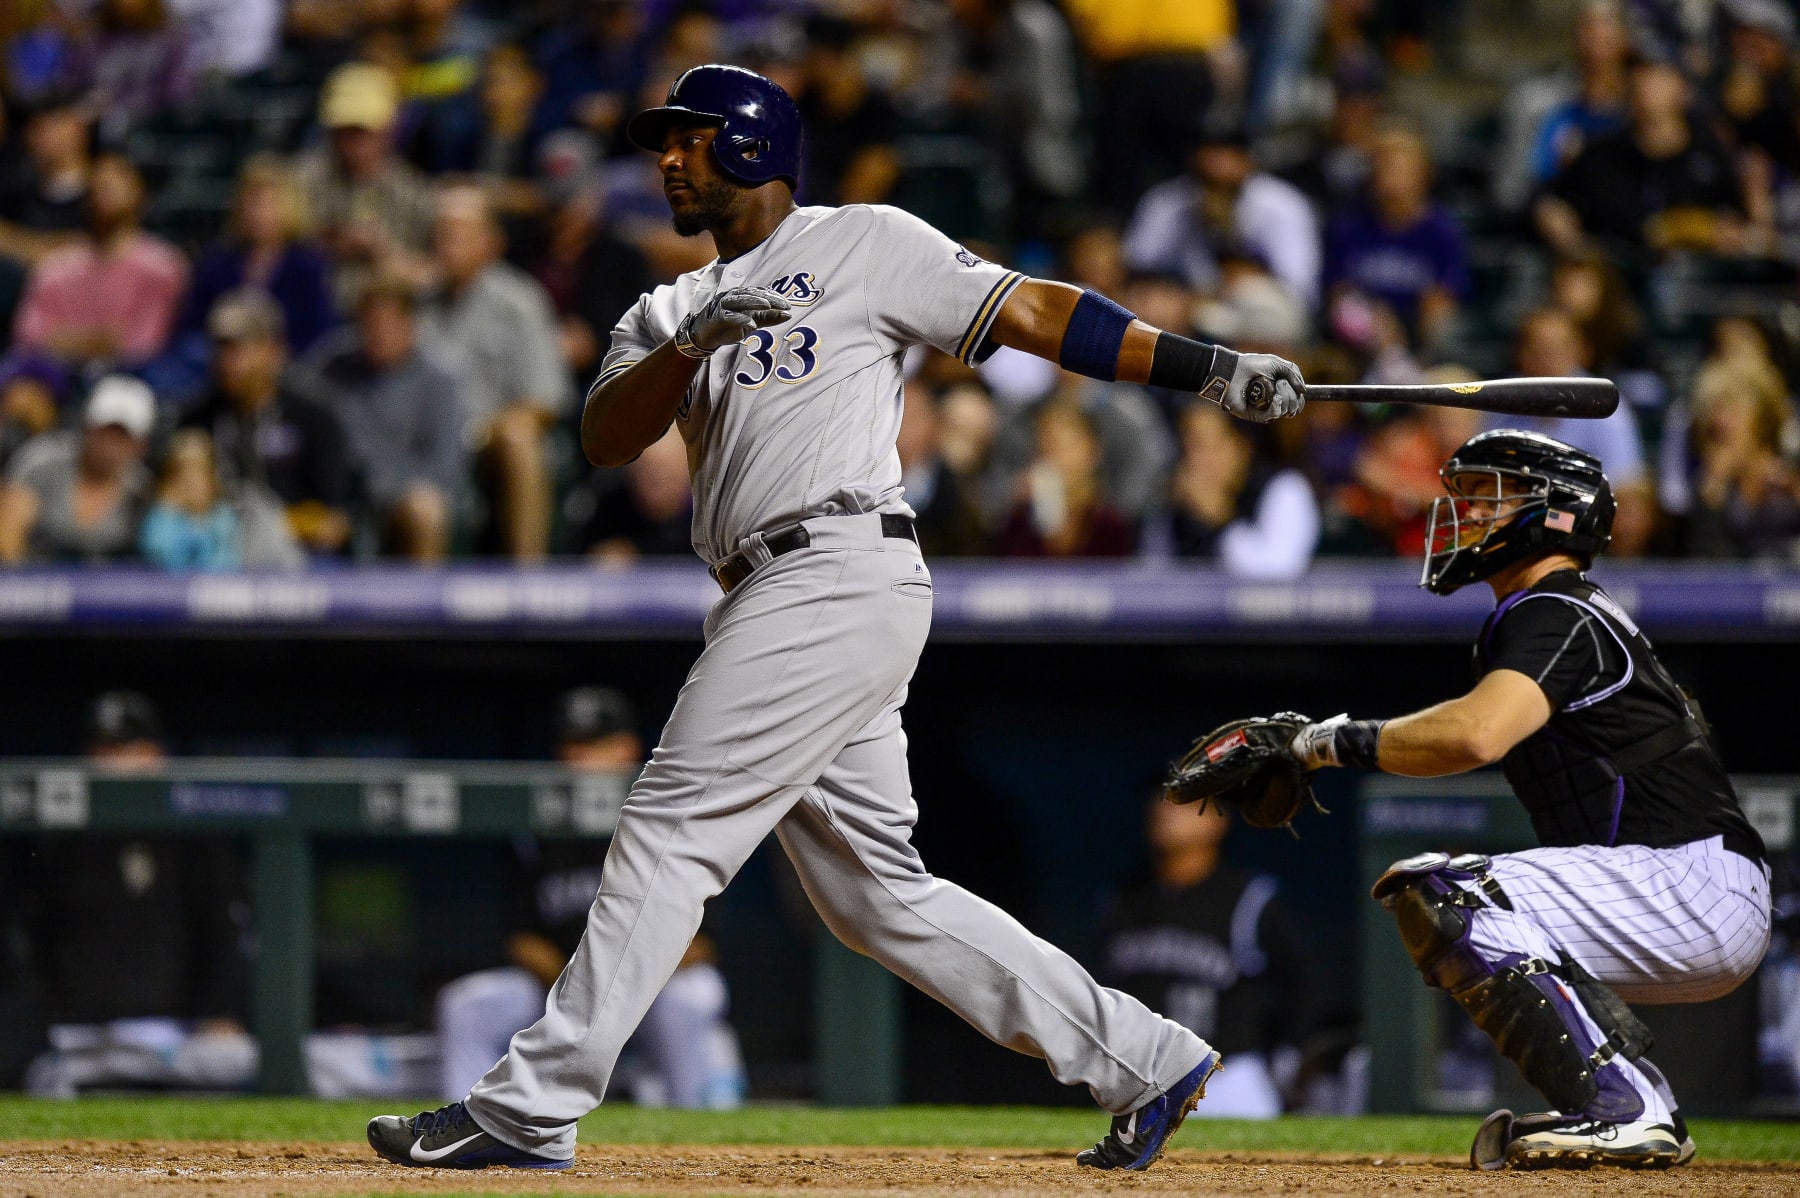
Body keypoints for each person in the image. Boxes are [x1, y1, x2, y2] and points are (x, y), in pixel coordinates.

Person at [367, 63, 1305, 1174]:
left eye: (691, 138)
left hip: (837, 562)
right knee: (876, 897)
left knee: (670, 828)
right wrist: (691, 341)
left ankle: (532, 1104)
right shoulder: (666, 305)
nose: (667, 158)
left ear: (755, 145)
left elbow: (1037, 312)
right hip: (768, 591)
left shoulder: (866, 241)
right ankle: (1145, 1056)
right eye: (661, 141)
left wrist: (1207, 371)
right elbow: (607, 440)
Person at [1269, 430, 1771, 1168]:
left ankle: (1623, 1105)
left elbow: (1477, 734)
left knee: (1446, 894)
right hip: (1682, 882)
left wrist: (1321, 742)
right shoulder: (1552, 612)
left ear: (1555, 514)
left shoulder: (1558, 608)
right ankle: (1632, 1102)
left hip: (1688, 881)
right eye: (1467, 498)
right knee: (1467, 906)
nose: (1465, 516)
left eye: (1486, 499)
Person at [434, 686, 746, 1109]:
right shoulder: (539, 832)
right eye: (571, 745)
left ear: (628, 748)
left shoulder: (666, 821)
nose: (578, 760)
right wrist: (580, 987)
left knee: (690, 997)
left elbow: (701, 944)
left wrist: (619, 985)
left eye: (594, 746)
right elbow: (520, 938)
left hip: (651, 989)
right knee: (467, 1005)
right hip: (561, 987)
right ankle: (465, 1119)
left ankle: (694, 1123)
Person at [17, 691, 257, 1097]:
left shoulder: (193, 839)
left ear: (156, 754)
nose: (115, 763)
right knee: (45, 1079)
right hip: (77, 1039)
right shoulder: (55, 843)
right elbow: (26, 942)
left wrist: (221, 1012)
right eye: (103, 749)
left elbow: (226, 934)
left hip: (176, 1038)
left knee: (237, 1058)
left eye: (128, 748)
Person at [1100, 799, 1316, 1118]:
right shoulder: (1122, 898)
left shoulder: (1248, 897)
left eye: (1182, 803)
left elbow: (1301, 982)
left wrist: (1286, 1056)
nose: (1165, 811)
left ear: (1219, 819)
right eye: (1159, 801)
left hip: (1225, 1079)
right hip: (1138, 1076)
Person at [416, 185, 569, 561]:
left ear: (489, 242)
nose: (444, 245)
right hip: (431, 439)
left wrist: (489, 430)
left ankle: (525, 578)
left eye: (456, 235)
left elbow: (545, 401)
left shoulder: (519, 302)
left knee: (519, 437)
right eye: (440, 235)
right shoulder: (417, 306)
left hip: (491, 439)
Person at [295, 274, 466, 561]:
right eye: (369, 324)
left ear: (410, 324)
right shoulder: (332, 367)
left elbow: (444, 467)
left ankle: (424, 603)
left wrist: (378, 494)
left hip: (402, 498)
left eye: (387, 324)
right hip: (339, 497)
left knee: (425, 508)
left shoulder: (440, 379)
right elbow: (295, 412)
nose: (377, 334)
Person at [181, 289, 353, 555]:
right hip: (215, 556)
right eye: (220, 348)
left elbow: (334, 521)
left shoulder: (312, 418)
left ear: (274, 351)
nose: (227, 362)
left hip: (299, 560)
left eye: (238, 349)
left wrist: (273, 524)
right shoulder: (196, 420)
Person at [10, 152, 187, 373]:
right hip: (56, 376)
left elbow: (145, 345)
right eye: (99, 184)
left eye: (115, 182)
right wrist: (96, 340)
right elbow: (28, 336)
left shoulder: (163, 267)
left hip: (134, 379)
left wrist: (68, 339)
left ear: (141, 193)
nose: (105, 188)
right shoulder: (58, 267)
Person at [0, 373, 153, 563]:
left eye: (122, 437)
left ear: (140, 446)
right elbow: (7, 537)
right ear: (86, 428)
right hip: (35, 578)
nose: (110, 445)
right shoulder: (43, 463)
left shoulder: (140, 489)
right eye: (104, 432)